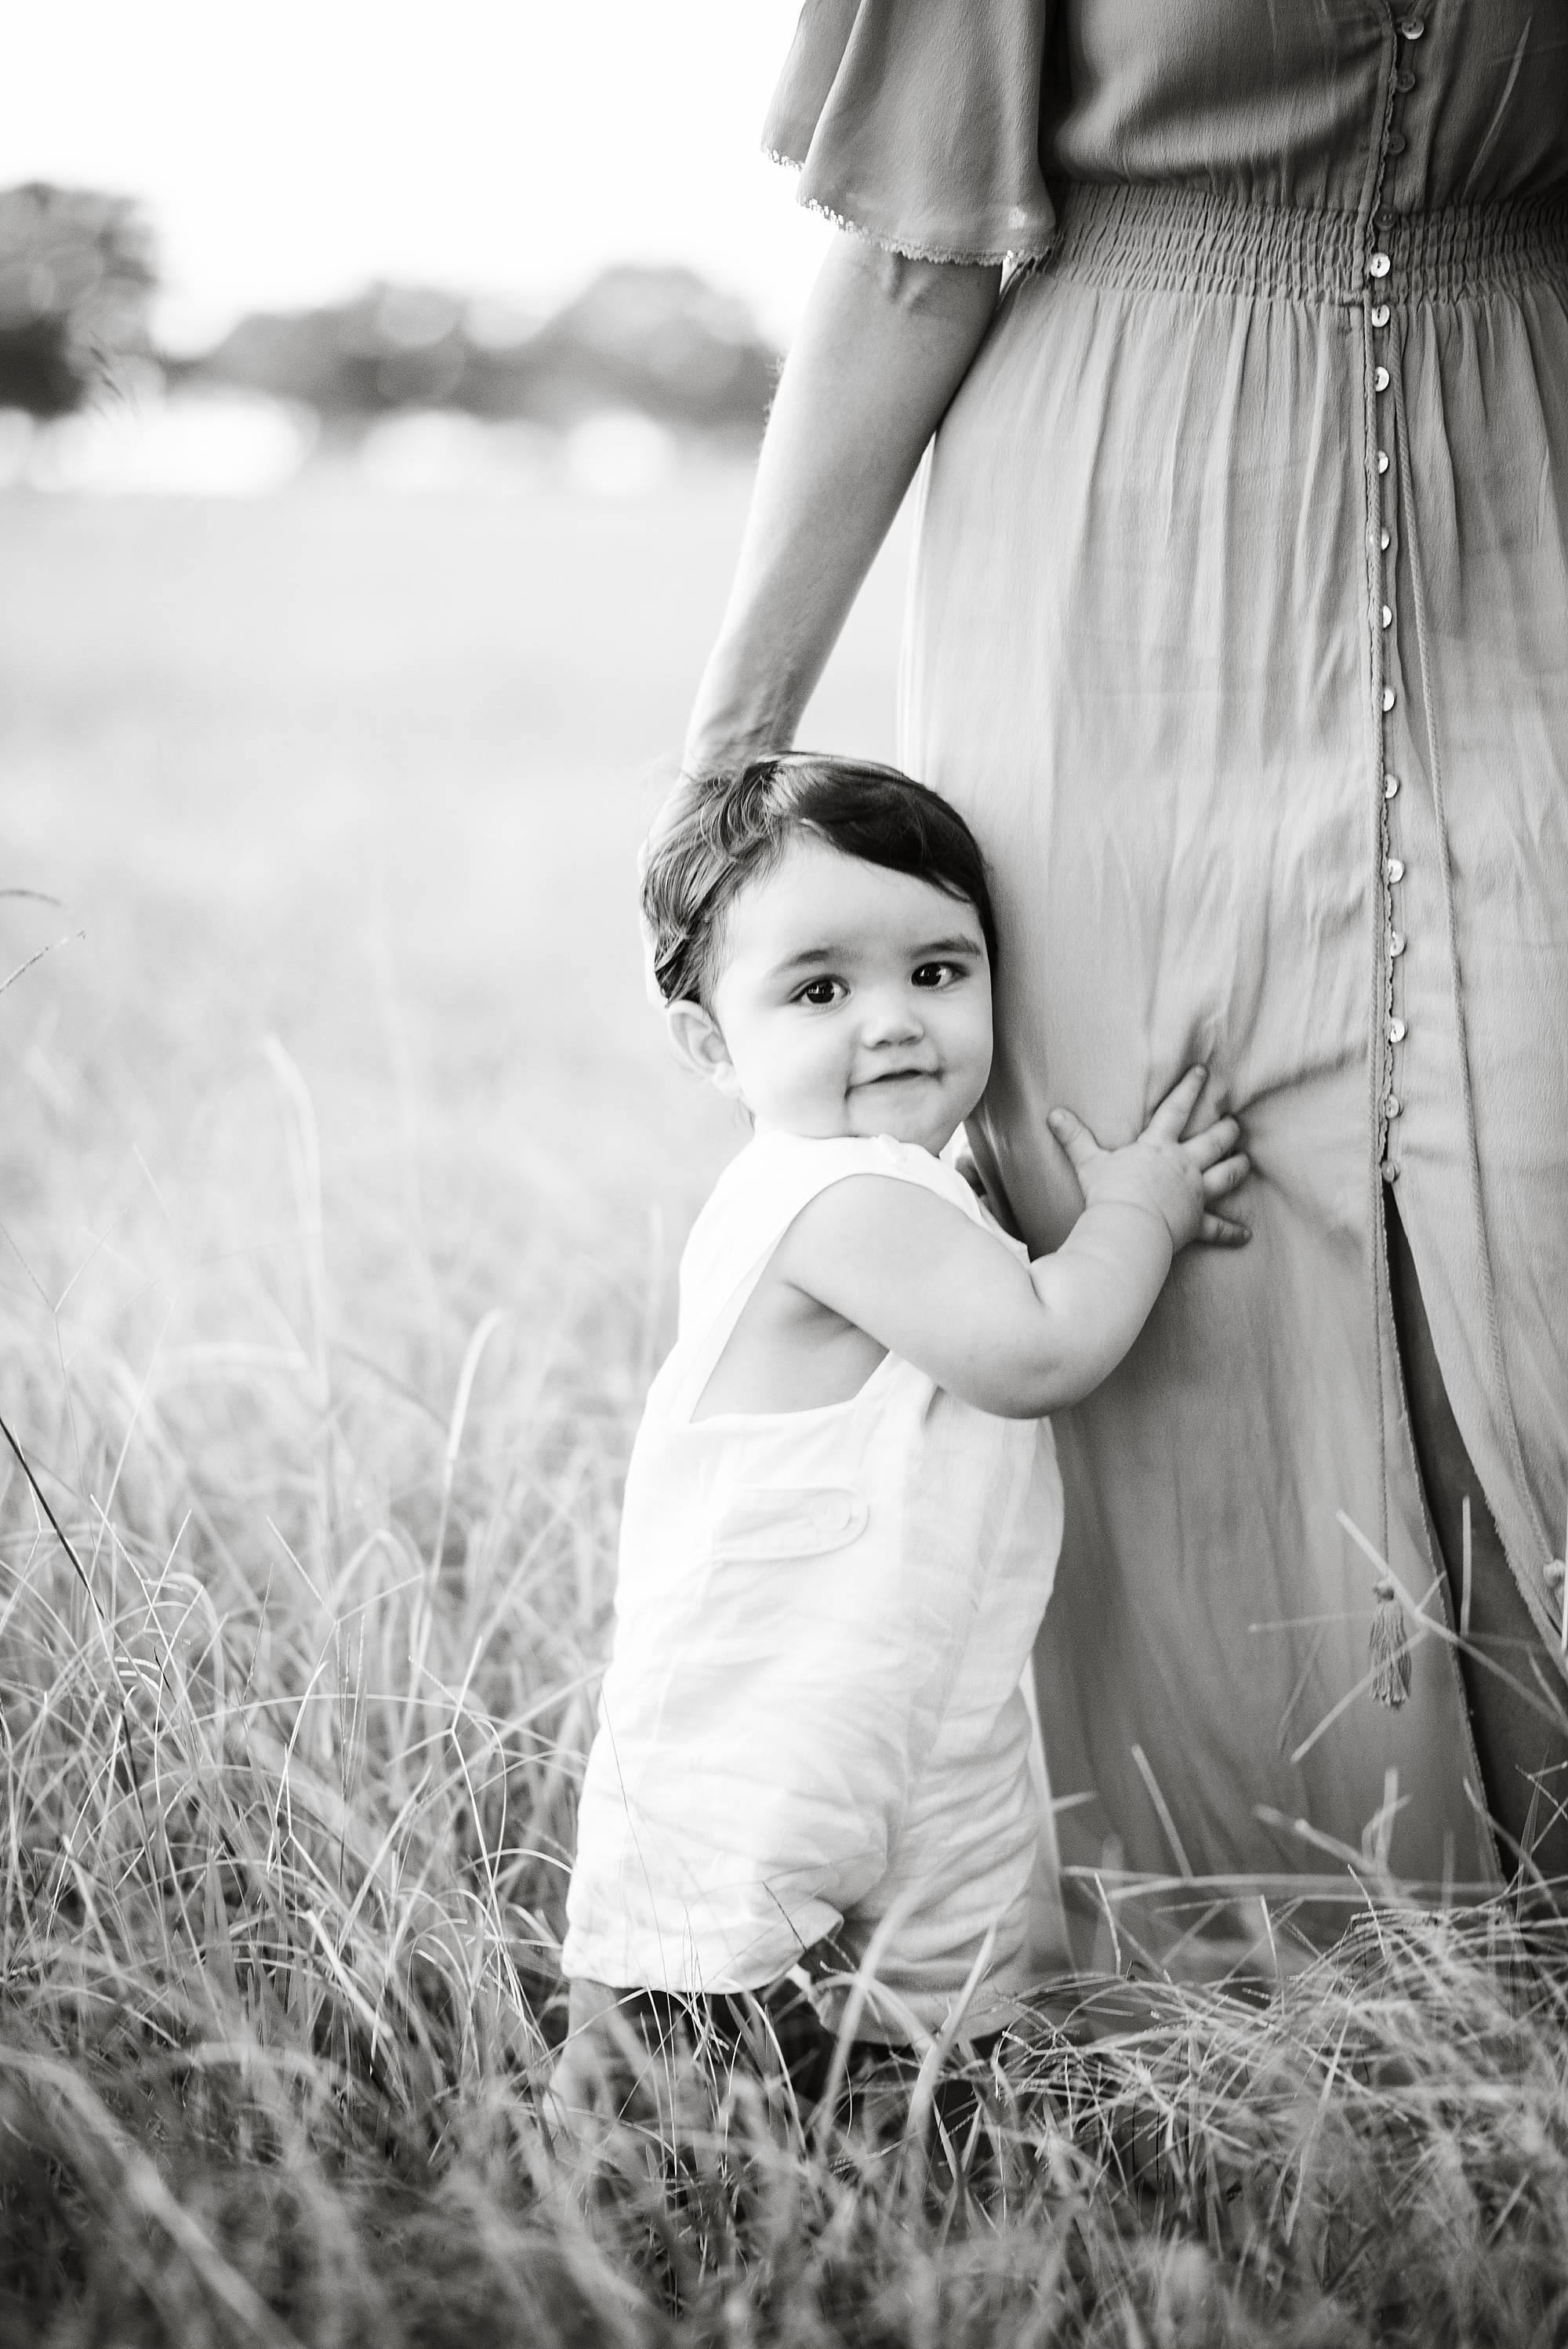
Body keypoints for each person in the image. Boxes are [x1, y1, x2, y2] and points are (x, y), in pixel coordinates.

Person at [681, 7, 1568, 1933]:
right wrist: (729, 749)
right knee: (1174, 1232)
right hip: (1112, 556)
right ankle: (1260, 1955)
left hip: (1532, 488)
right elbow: (917, 250)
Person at [552, 754, 1248, 2110]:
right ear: (712, 1045)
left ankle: (918, 2206)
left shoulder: (914, 1187)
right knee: (677, 2034)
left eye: (939, 971)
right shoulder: (827, 1193)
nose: (894, 1023)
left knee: (948, 2043)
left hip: (931, 1704)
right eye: (820, 990)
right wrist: (1139, 1214)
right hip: (763, 1718)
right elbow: (1036, 1348)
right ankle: (614, 2239)